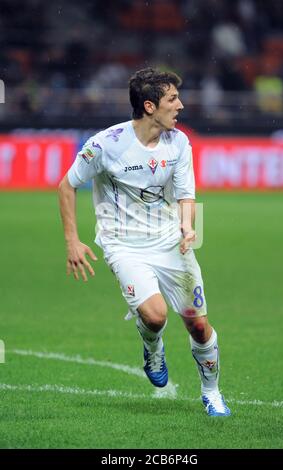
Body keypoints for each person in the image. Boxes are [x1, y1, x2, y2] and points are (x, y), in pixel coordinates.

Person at [58, 67, 231, 417]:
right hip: (124, 246)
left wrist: (188, 227)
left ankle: (212, 393)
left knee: (198, 324)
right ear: (150, 106)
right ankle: (153, 347)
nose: (180, 105)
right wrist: (72, 241)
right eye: (172, 99)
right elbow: (67, 185)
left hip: (171, 243)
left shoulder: (179, 142)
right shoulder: (105, 145)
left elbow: (186, 195)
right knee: (154, 317)